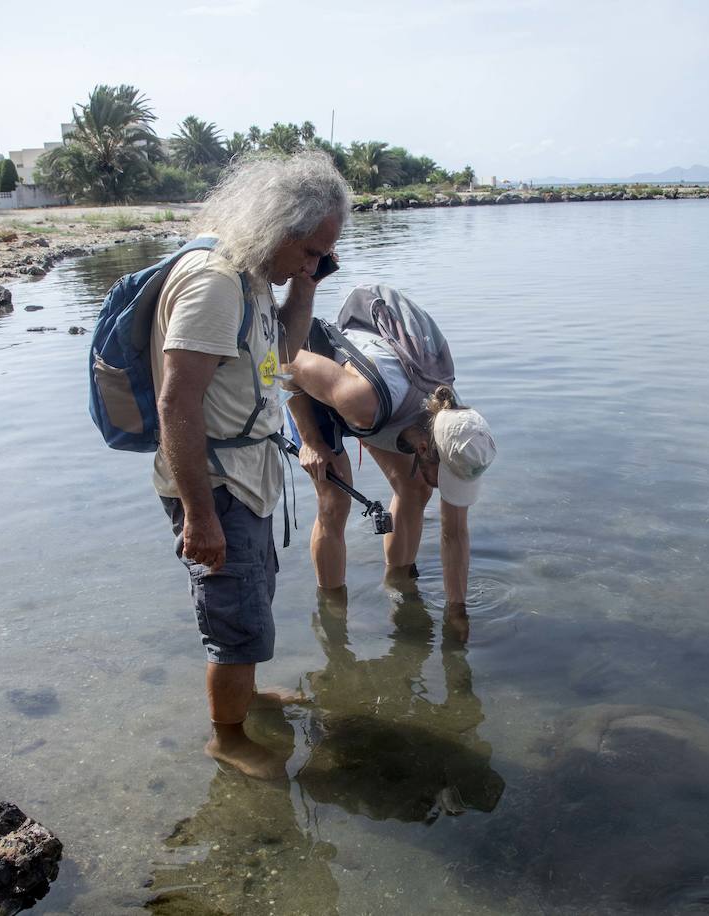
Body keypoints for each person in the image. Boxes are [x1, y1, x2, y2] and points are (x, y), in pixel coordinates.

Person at [153, 151, 349, 780]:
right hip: (212, 483)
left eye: (324, 255)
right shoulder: (214, 283)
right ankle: (226, 736)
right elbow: (177, 402)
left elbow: (285, 352)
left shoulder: (256, 276)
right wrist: (201, 517)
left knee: (253, 594)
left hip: (249, 477)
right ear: (279, 226)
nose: (315, 262)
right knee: (233, 614)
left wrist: (307, 285)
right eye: (313, 251)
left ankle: (246, 696)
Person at [283, 289, 496, 633]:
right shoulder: (360, 399)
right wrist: (311, 440)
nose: (447, 487)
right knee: (334, 501)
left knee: (415, 489)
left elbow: (454, 534)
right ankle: (333, 617)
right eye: (446, 477)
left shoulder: (457, 428)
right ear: (425, 450)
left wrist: (457, 611)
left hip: (390, 412)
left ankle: (398, 584)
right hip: (319, 388)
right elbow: (284, 360)